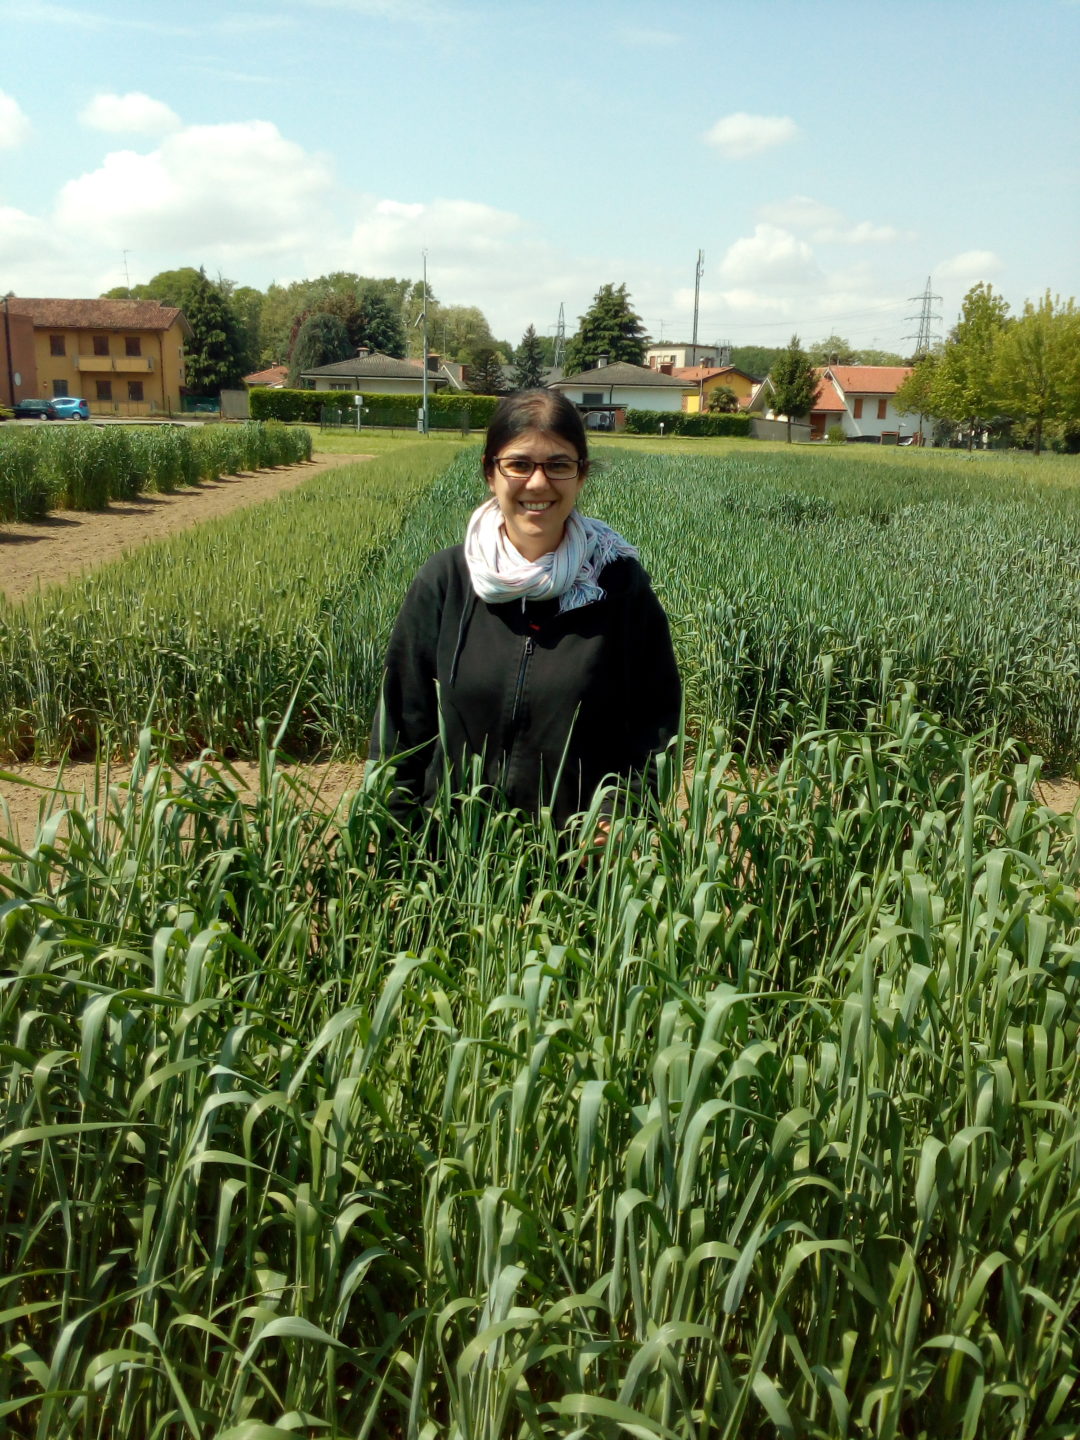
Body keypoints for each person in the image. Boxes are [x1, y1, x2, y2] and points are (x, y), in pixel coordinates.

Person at [369, 389, 681, 831]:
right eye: (518, 464)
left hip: (577, 869)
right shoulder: (447, 582)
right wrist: (396, 845)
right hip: (451, 861)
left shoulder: (618, 586)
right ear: (490, 473)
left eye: (558, 465)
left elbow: (657, 723)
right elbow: (401, 726)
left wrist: (622, 815)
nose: (538, 483)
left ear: (581, 475)